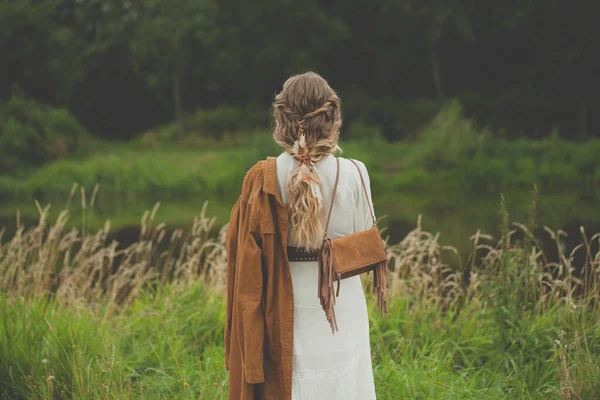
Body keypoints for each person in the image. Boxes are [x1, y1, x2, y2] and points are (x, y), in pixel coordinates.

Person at [225, 71, 377, 400]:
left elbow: (246, 257)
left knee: (293, 384)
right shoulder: (355, 172)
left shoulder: (263, 176)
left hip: (285, 304)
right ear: (331, 118)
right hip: (340, 302)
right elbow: (365, 244)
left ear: (282, 119)